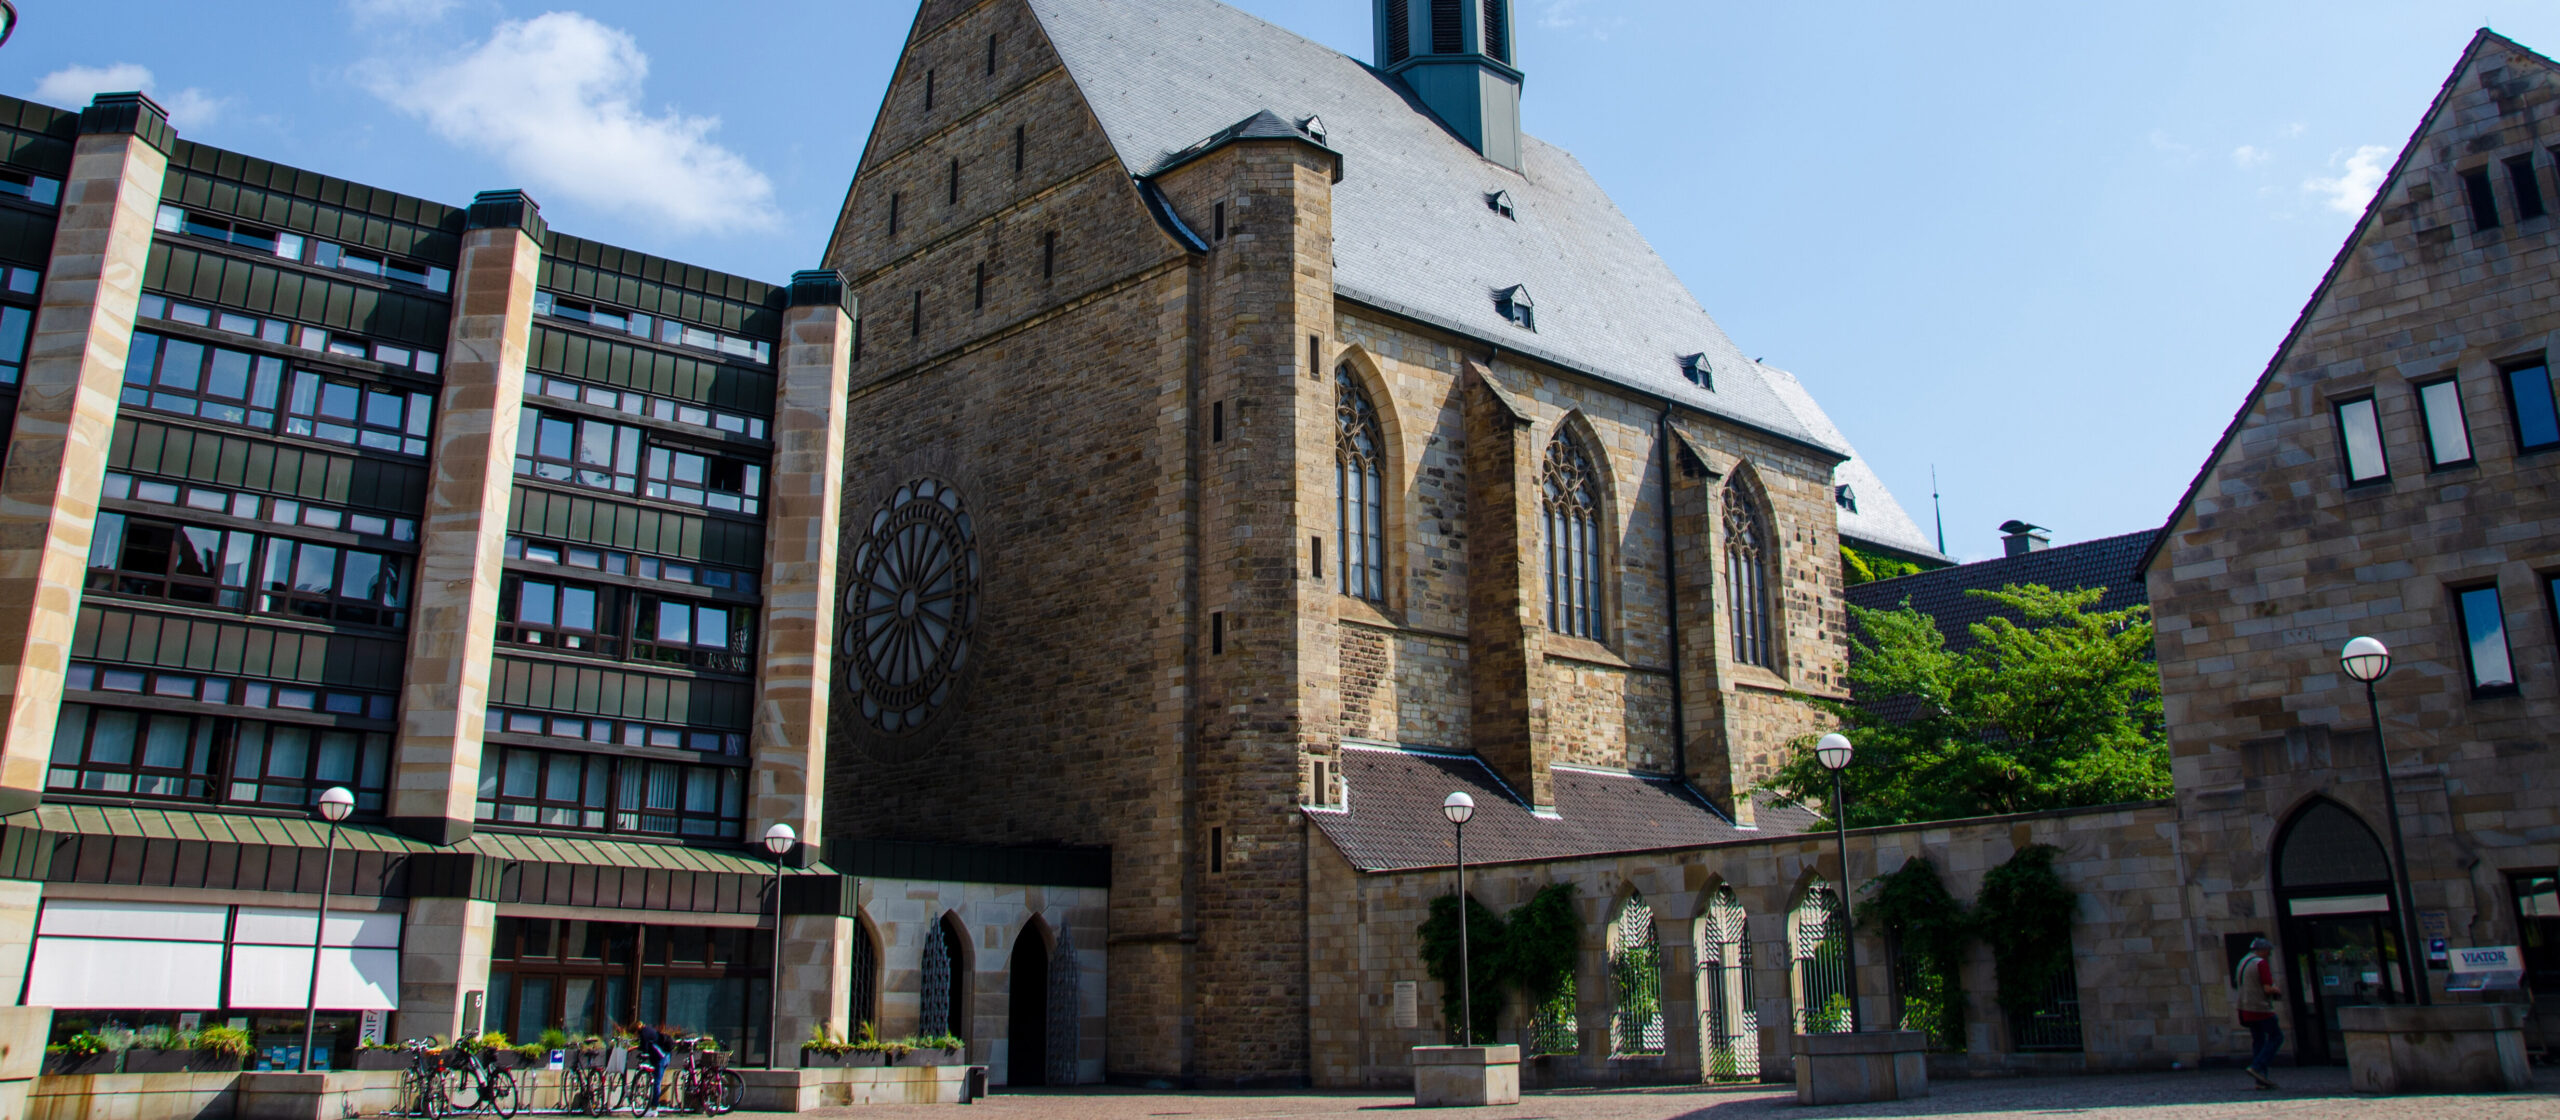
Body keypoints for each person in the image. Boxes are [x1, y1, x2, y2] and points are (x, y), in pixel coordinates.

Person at [2233, 937, 2284, 1089]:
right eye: (2268, 952)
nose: (2269, 955)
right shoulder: (2260, 963)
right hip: (2260, 1007)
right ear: (2263, 950)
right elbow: (2267, 988)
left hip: (2245, 1008)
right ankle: (2257, 1066)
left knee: (2259, 1041)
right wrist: (2276, 990)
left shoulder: (2243, 962)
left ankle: (2260, 1080)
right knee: (2276, 1037)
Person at [634, 1022, 672, 1117]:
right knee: (656, 1082)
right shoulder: (649, 1030)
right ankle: (653, 1107)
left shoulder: (644, 1033)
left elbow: (645, 1048)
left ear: (636, 1030)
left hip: (661, 1058)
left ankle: (654, 1108)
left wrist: (636, 1050)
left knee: (657, 1083)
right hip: (665, 1056)